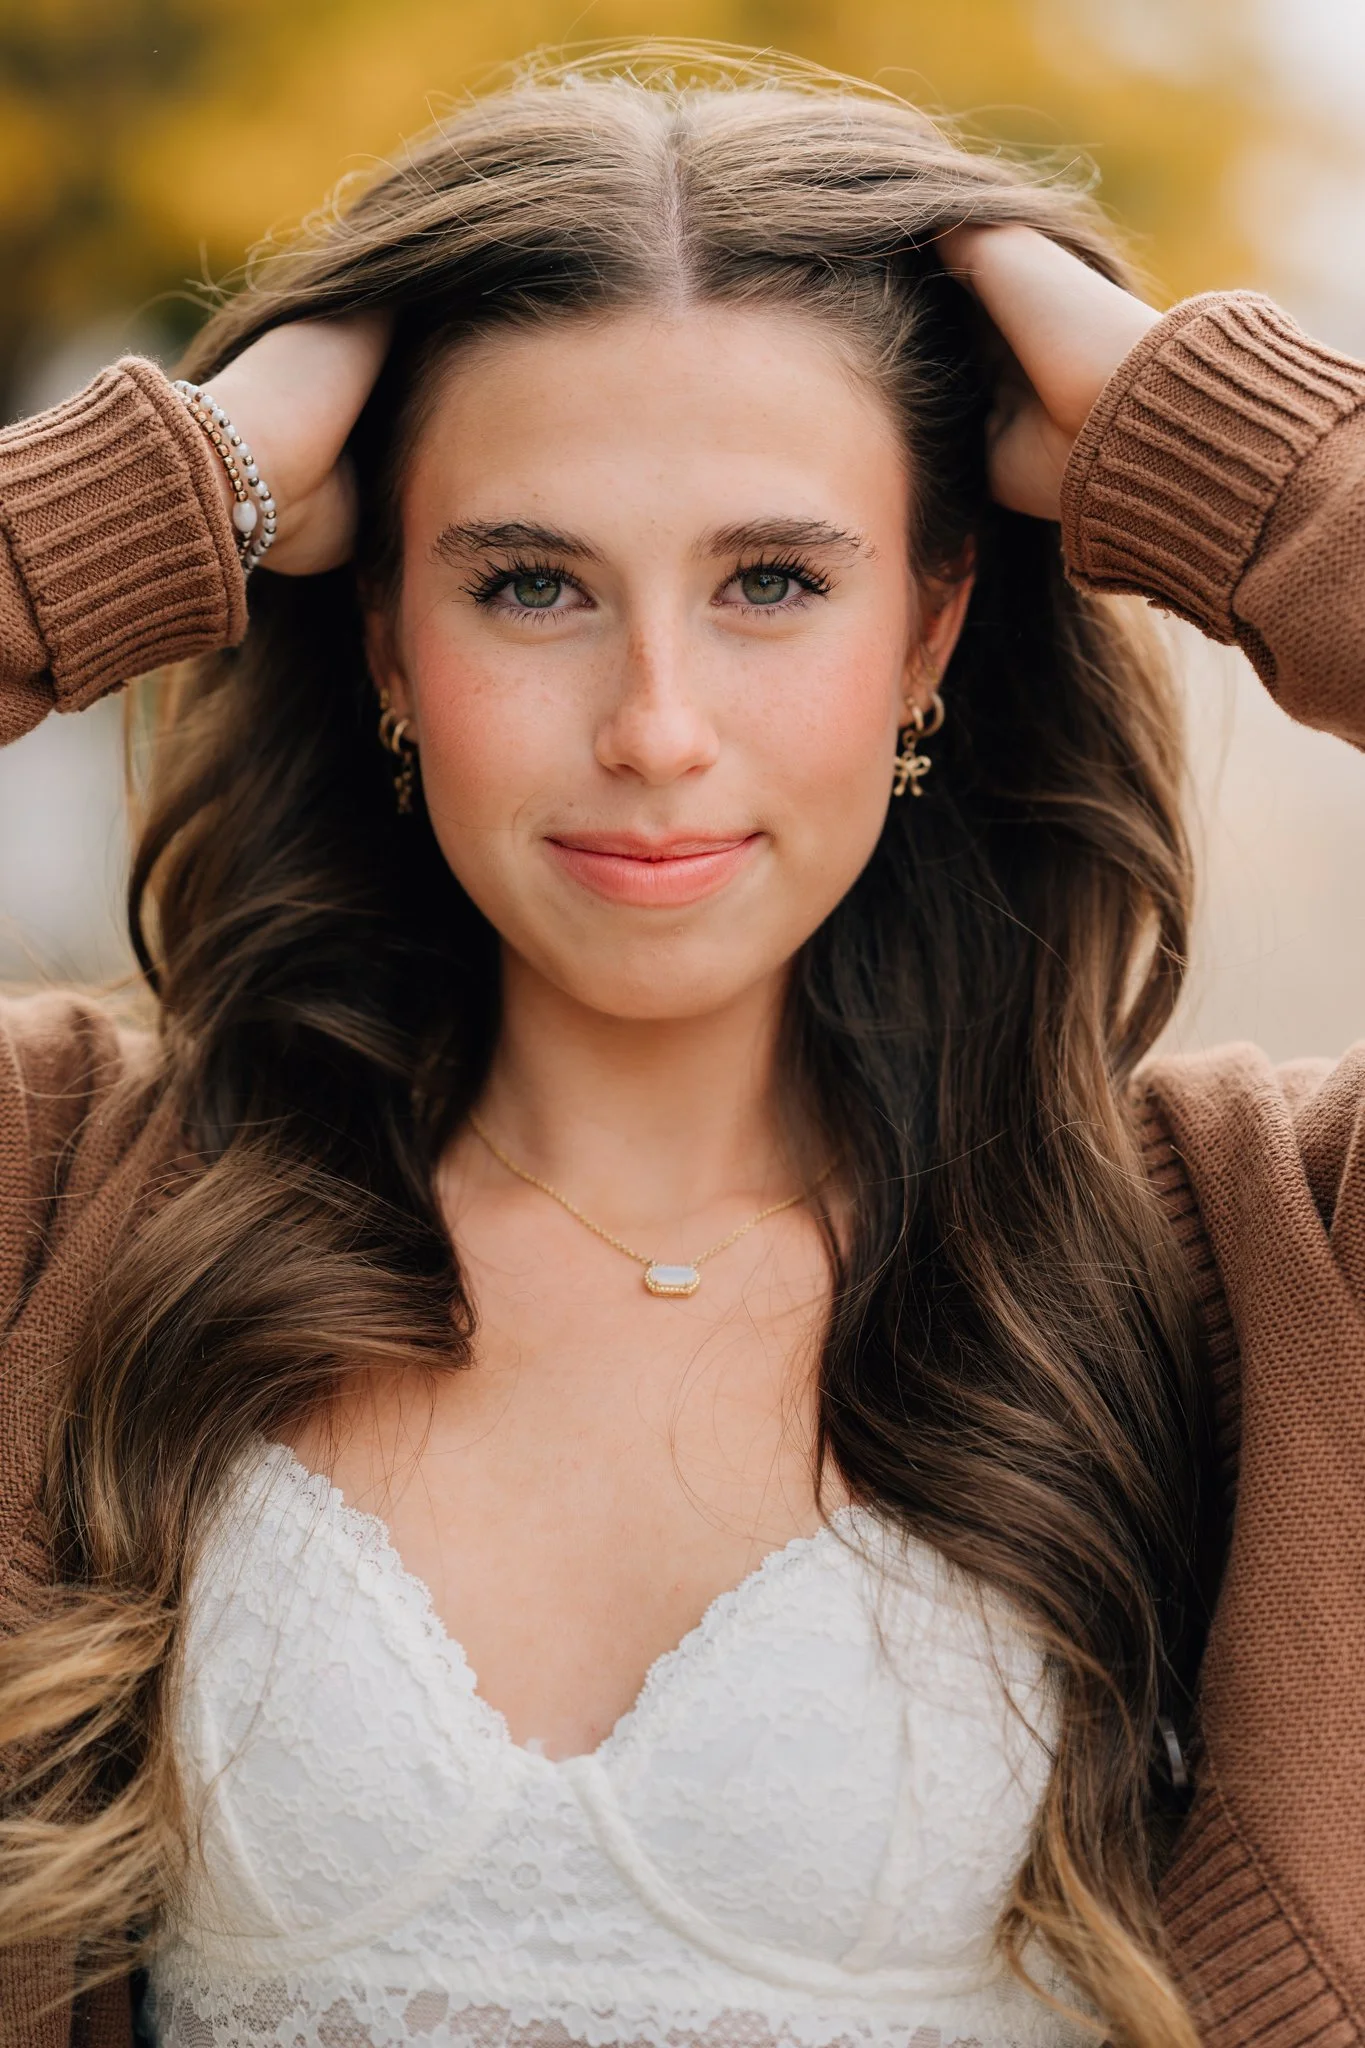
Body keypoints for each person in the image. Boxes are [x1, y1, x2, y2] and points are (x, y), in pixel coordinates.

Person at [0, 49, 1361, 2048]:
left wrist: (1216, 451)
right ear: (386, 635)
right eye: (531, 581)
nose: (653, 725)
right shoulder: (66, 1191)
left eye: (774, 582)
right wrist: (173, 482)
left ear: (928, 632)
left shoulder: (1256, 1252)